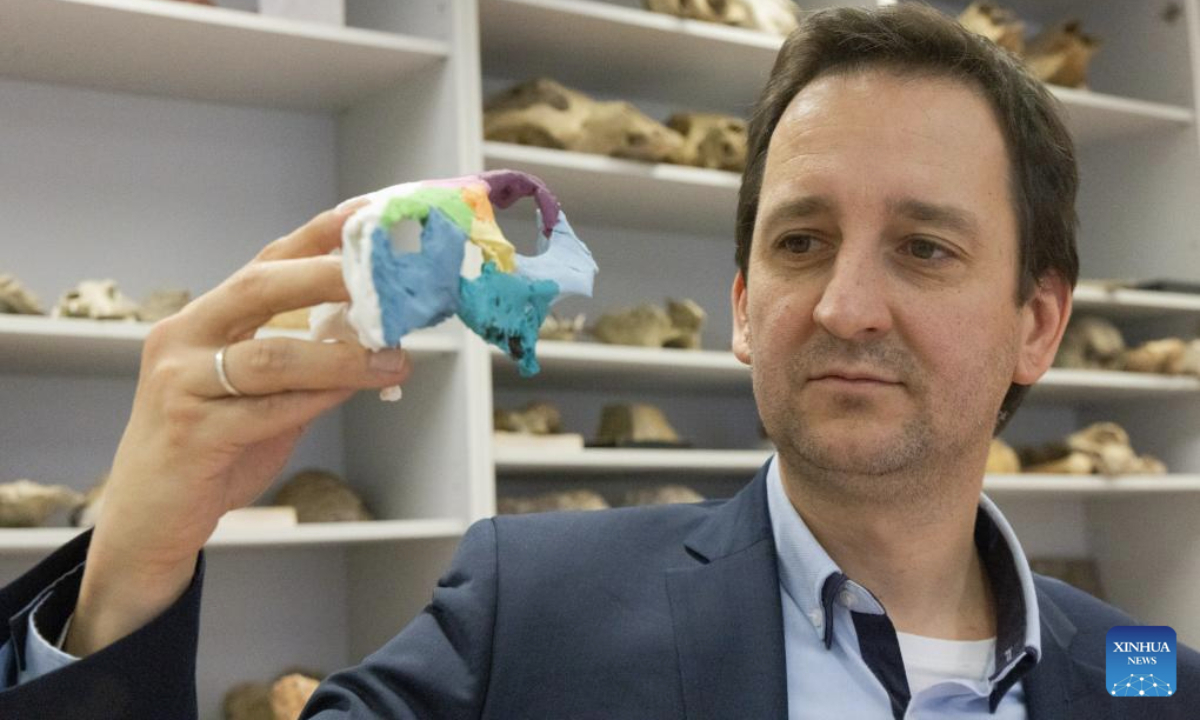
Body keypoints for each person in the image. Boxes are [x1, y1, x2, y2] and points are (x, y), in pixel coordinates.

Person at [1, 4, 1197, 719]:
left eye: (926, 248)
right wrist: (130, 578)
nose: (842, 304)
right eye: (800, 241)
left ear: (1039, 322)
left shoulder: (1148, 677)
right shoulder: (527, 612)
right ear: (742, 306)